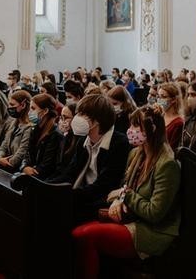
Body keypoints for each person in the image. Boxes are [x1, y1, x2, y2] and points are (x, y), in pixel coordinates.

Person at [72, 105, 181, 279]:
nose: (130, 131)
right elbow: (123, 187)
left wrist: (125, 195)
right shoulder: (136, 154)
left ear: (151, 130)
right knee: (79, 225)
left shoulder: (167, 164)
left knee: (84, 235)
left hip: (152, 230)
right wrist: (119, 199)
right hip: (131, 217)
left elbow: (155, 213)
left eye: (135, 127)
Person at [49, 94, 130, 224]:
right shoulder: (83, 140)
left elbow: (105, 185)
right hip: (82, 194)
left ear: (97, 120)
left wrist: (69, 195)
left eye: (82, 114)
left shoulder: (119, 143)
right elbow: (71, 172)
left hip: (101, 199)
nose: (77, 118)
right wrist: (47, 186)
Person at [20, 94, 62, 180]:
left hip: (42, 179)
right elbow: (27, 153)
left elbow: (47, 165)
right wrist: (24, 167)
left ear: (45, 110)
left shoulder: (55, 134)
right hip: (31, 174)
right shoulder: (35, 129)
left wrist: (31, 171)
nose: (29, 112)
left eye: (33, 108)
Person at [0, 90, 33, 171]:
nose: (9, 107)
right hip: (4, 163)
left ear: (23, 105)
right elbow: (4, 145)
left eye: (12, 104)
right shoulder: (13, 122)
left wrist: (7, 163)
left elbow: (21, 152)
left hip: (15, 168)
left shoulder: (29, 127)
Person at [157, 82, 184, 151]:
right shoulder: (159, 117)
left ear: (173, 100)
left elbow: (171, 148)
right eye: (159, 97)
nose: (160, 100)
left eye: (163, 97)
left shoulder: (178, 123)